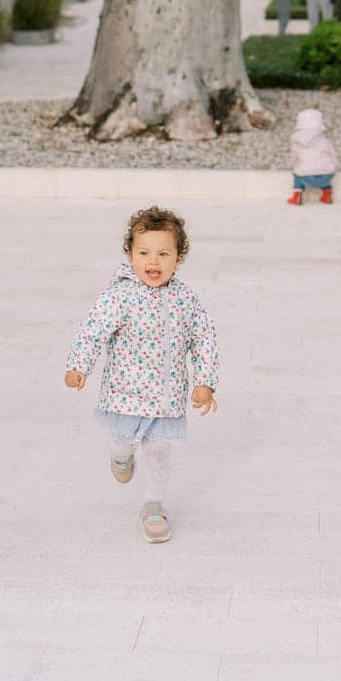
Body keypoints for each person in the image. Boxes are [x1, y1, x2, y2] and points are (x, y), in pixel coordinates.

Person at [64, 205, 219, 545]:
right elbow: (93, 331)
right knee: (121, 442)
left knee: (159, 449)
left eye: (163, 253)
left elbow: (203, 339)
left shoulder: (186, 300)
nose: (153, 261)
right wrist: (79, 365)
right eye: (144, 252)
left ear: (178, 258)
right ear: (130, 254)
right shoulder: (120, 296)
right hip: (125, 392)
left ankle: (154, 505)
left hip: (166, 397)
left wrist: (204, 381)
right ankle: (120, 457)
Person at [287, 106, 339, 206]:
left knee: (297, 175)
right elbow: (333, 156)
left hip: (305, 177)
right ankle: (327, 194)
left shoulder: (296, 141)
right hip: (326, 177)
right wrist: (334, 166)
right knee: (325, 169)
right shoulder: (325, 140)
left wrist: (293, 166)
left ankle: (297, 196)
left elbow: (293, 158)